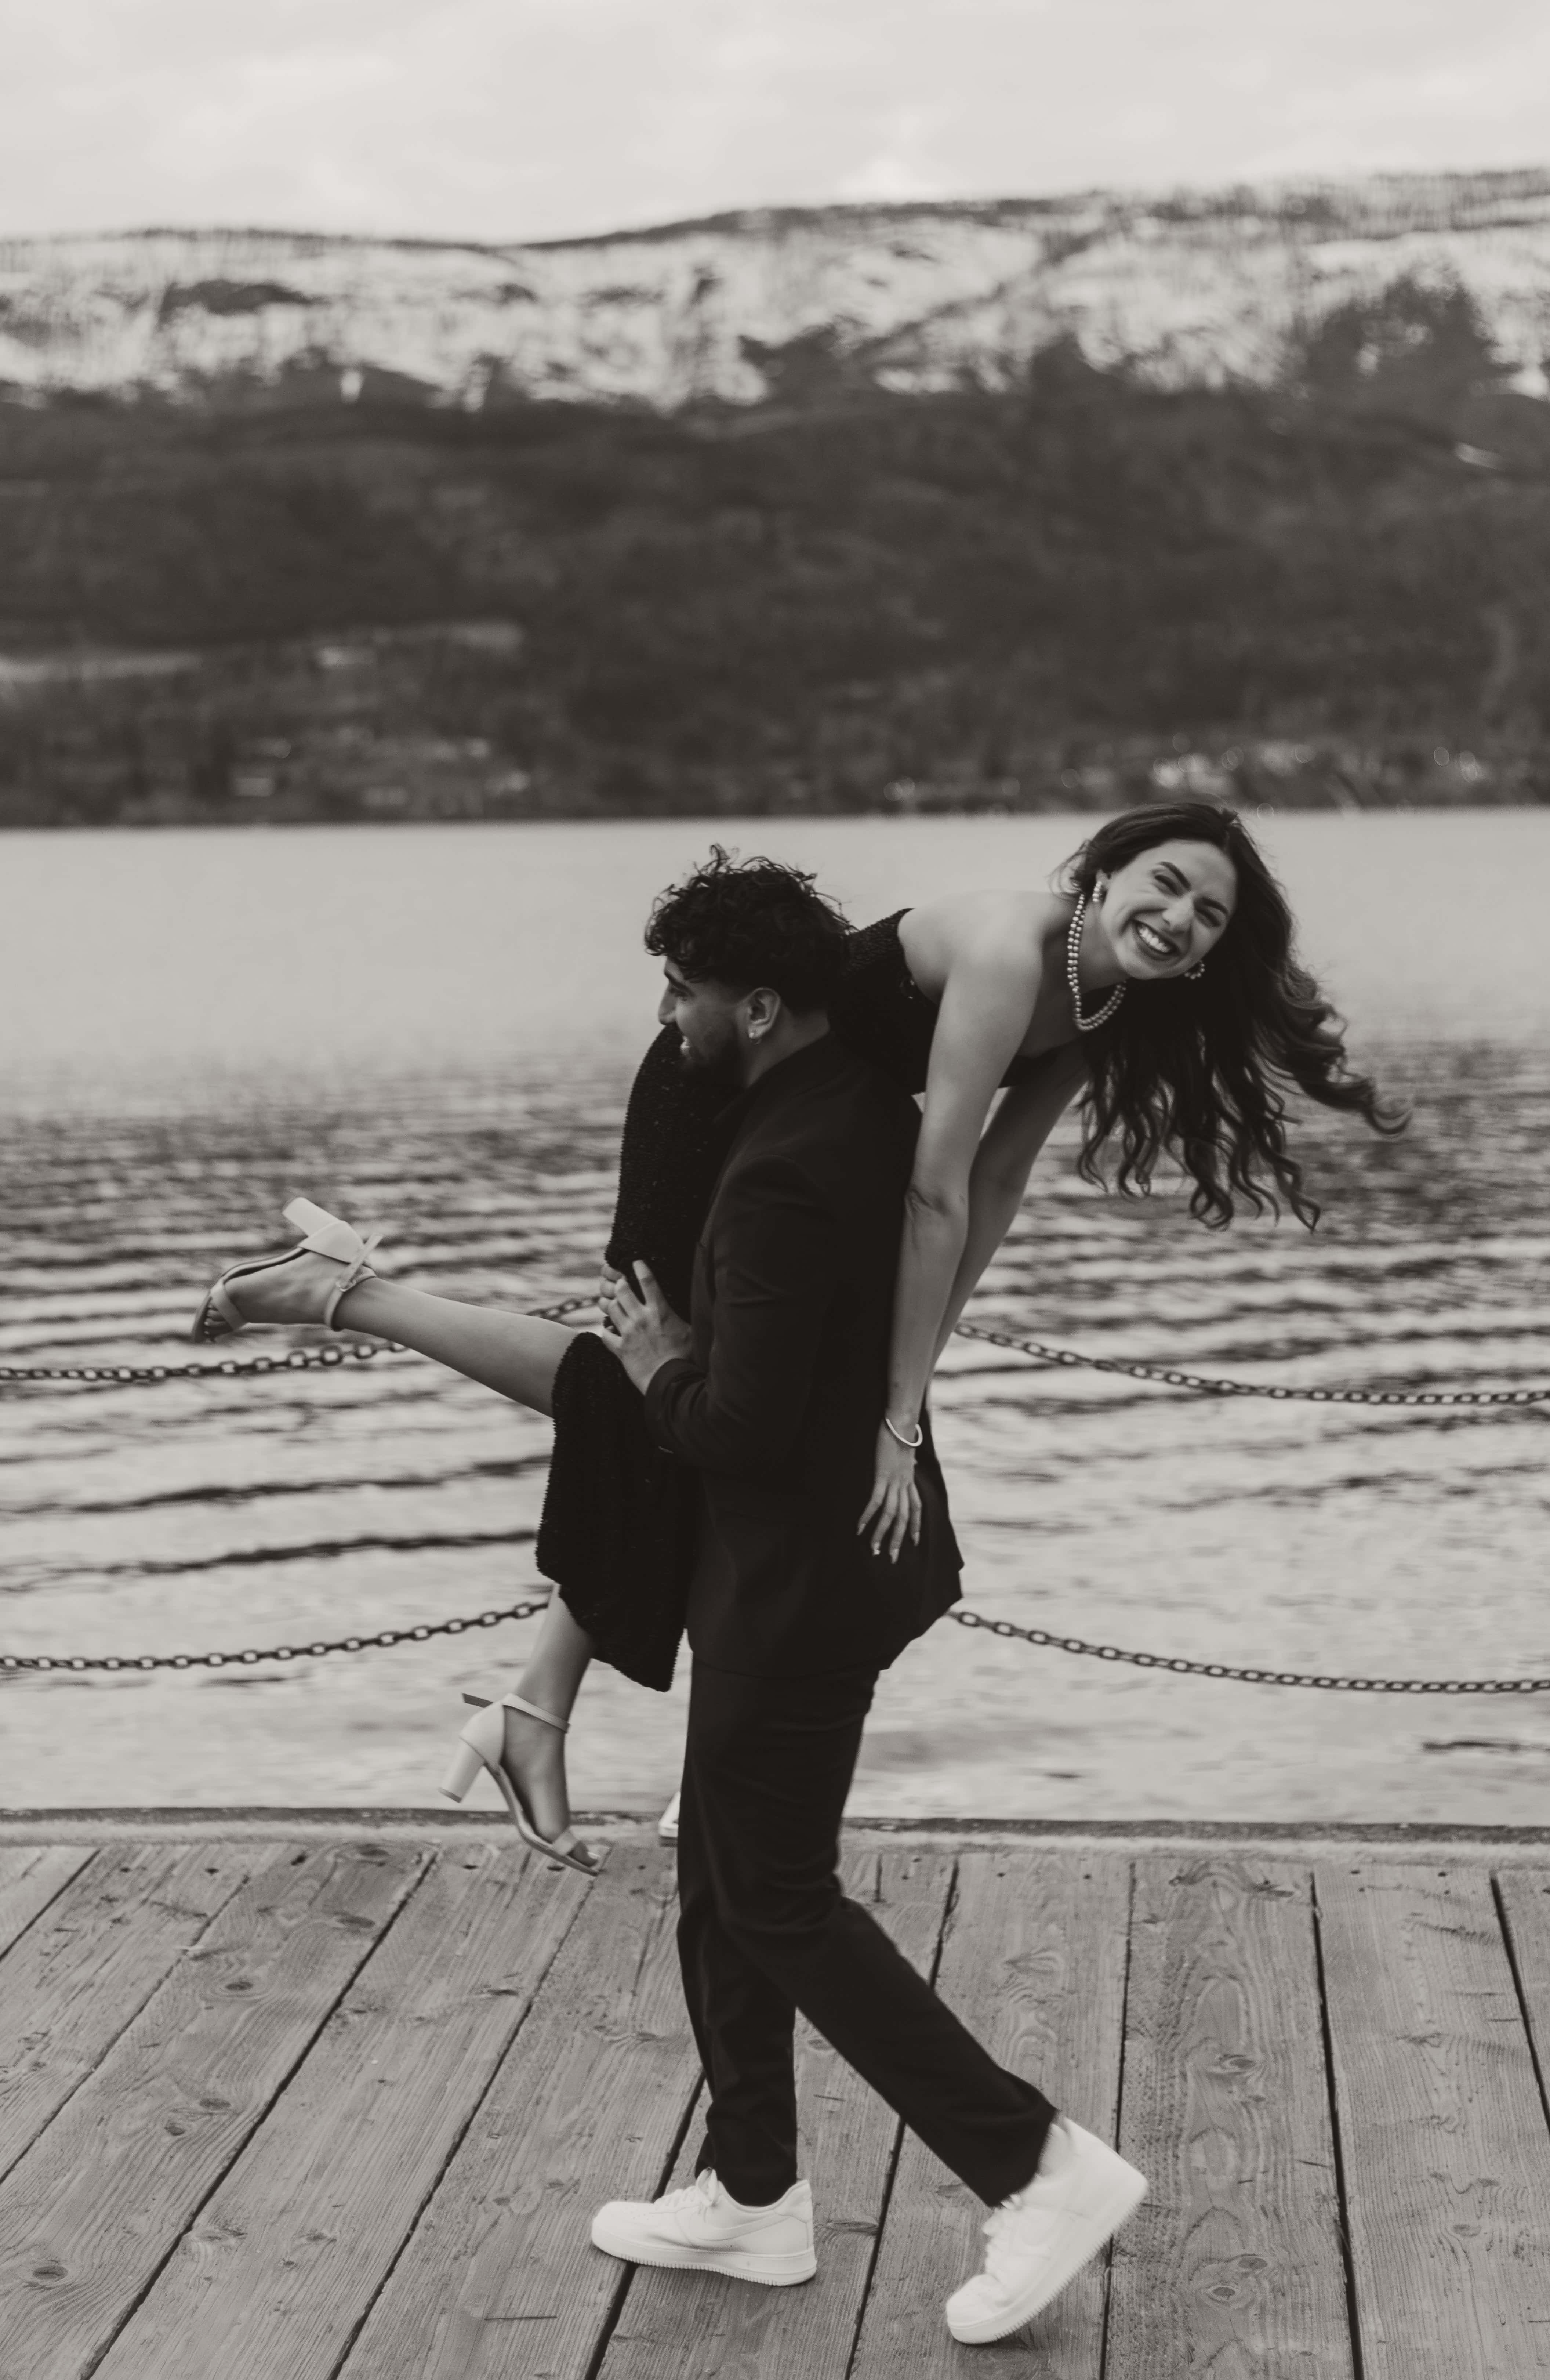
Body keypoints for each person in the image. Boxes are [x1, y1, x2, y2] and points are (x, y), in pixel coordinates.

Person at [191, 853, 1151, 2343]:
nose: (665, 1014)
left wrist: (653, 1371)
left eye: (680, 992)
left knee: (775, 1893)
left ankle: (1036, 2161)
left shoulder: (780, 1170)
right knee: (719, 1861)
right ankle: (753, 2192)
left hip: (807, 1578)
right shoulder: (823, 1113)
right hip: (797, 1560)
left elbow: (739, 1428)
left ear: (758, 1006)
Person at [402, 801, 1402, 1850]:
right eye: (1165, 882)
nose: (1180, 916)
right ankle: (591, 1724)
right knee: (682, 1394)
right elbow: (935, 1191)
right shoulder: (1013, 953)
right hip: (719, 1098)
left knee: (724, 1419)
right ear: (1103, 875)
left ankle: (561, 1717)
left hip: (816, 1149)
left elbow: (997, 1177)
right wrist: (900, 1408)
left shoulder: (1104, 1002)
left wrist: (914, 1371)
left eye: (1208, 912)